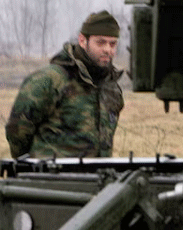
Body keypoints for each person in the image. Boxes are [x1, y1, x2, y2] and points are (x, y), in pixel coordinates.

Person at [6, 10, 124, 158]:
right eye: (100, 42)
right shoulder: (49, 80)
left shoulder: (111, 88)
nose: (108, 50)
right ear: (82, 41)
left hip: (97, 178)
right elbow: (17, 132)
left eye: (113, 44)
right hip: (52, 178)